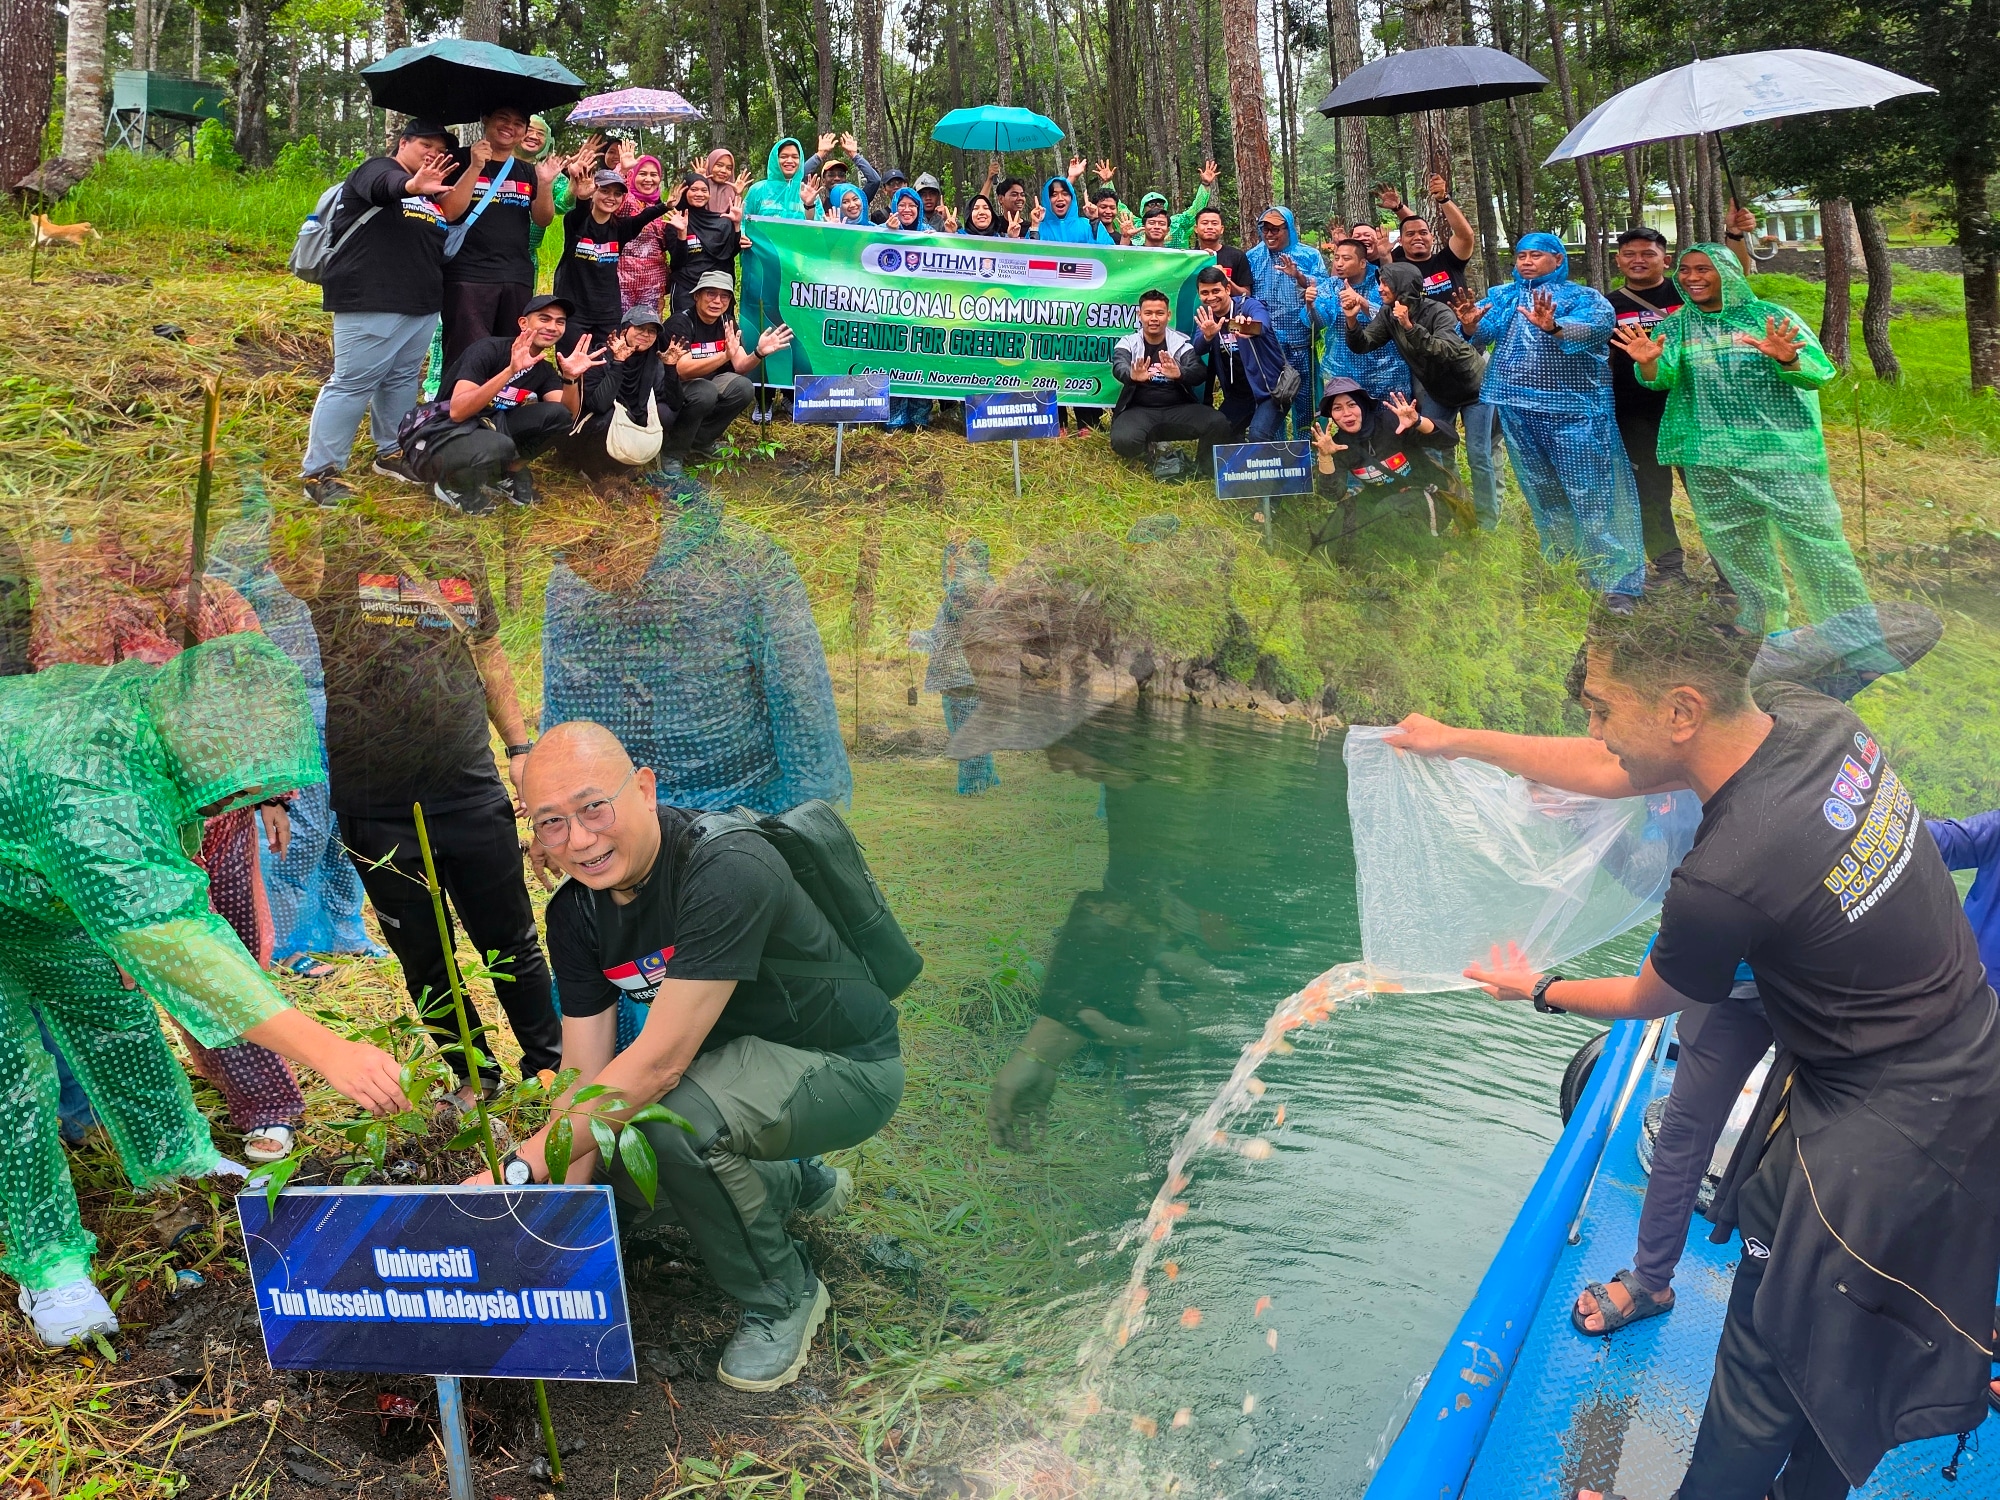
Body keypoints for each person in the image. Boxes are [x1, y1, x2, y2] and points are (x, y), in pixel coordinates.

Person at [1390, 588, 2000, 1500]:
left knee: (1770, 1351)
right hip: (1964, 1064)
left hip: (1882, 1135)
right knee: (1854, 1353)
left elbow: (1652, 994)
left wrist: (1541, 988)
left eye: (1601, 709)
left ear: (1680, 710)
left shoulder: (1724, 875)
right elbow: (1611, 770)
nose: (1595, 730)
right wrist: (1457, 740)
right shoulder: (1814, 722)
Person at [0, 634, 407, 1345]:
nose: (240, 802)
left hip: (31, 880)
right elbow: (173, 938)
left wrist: (124, 928)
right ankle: (49, 1266)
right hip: (31, 851)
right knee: (14, 1086)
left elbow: (159, 872)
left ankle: (172, 1158)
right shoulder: (85, 777)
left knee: (111, 1009)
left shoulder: (145, 718)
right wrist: (326, 1049)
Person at [479, 722, 903, 1393]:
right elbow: (586, 1076)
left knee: (667, 1121)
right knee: (612, 1157)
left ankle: (783, 1296)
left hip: (848, 1066)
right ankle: (792, 1185)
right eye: (552, 823)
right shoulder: (577, 915)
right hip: (742, 1065)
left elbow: (657, 1067)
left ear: (644, 789)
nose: (579, 840)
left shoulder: (725, 866)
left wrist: (520, 1167)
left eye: (594, 808)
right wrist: (555, 1214)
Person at [276, 508, 564, 1113]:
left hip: (467, 787)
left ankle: (549, 1064)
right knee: (424, 956)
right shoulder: (332, 538)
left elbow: (486, 650)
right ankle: (474, 1076)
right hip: (375, 804)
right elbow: (292, 559)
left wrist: (518, 748)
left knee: (510, 941)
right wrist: (322, 490)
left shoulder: (457, 540)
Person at [1616, 244, 1889, 663]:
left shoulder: (1768, 316)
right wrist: (1648, 363)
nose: (1692, 278)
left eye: (1704, 269)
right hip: (1708, 455)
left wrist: (1789, 358)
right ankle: (1761, 622)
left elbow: (1818, 373)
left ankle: (1852, 635)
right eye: (1686, 270)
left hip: (1779, 453)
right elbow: (1660, 378)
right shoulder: (1679, 325)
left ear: (1727, 271)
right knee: (1737, 546)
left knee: (1818, 545)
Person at [540, 486, 851, 814]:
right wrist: (552, 812)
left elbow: (801, 706)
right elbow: (560, 719)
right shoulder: (569, 590)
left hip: (746, 825)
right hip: (617, 826)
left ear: (649, 503)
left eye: (605, 543)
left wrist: (808, 828)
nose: (596, 567)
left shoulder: (749, 564)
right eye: (574, 550)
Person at [1454, 233, 1644, 609]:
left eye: (1536, 255)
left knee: (1591, 493)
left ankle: (1615, 579)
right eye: (1521, 255)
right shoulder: (1505, 295)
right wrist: (1471, 324)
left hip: (1575, 413)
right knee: (1544, 491)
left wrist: (1555, 327)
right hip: (1518, 408)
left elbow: (1595, 331)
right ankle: (1565, 565)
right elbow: (1482, 330)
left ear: (1558, 260)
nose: (1526, 262)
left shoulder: (1584, 298)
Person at [300, 119, 459, 505]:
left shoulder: (429, 196)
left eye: (440, 149)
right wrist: (409, 185)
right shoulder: (378, 170)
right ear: (403, 143)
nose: (433, 154)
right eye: (425, 144)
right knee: (352, 383)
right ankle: (320, 472)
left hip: (420, 305)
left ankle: (390, 451)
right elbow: (382, 187)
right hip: (371, 300)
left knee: (401, 380)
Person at [416, 294, 602, 511]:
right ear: (523, 323)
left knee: (556, 416)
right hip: (444, 432)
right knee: (498, 443)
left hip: (489, 430)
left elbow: (566, 415)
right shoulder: (488, 350)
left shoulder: (543, 369)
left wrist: (571, 378)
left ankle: (505, 473)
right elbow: (457, 412)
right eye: (544, 319)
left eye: (559, 322)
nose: (553, 327)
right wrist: (510, 371)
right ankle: (453, 483)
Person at [1344, 261, 1496, 527]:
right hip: (1439, 392)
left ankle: (1485, 522)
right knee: (1432, 449)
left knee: (1478, 455)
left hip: (1474, 389)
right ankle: (1449, 509)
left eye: (1385, 282)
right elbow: (1364, 344)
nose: (1379, 288)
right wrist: (1352, 320)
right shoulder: (1389, 313)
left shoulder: (1438, 312)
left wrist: (1410, 326)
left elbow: (1443, 349)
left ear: (1402, 286)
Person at [434, 104, 561, 369]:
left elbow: (543, 218)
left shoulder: (527, 171)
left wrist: (546, 183)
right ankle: (456, 407)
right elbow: (448, 211)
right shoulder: (459, 159)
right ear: (485, 119)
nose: (510, 127)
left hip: (516, 275)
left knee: (509, 351)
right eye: (503, 119)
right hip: (469, 276)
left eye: (518, 123)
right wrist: (475, 167)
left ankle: (498, 408)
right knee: (465, 352)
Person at [1607, 226, 1689, 580]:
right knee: (1652, 493)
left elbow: (1735, 285)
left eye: (1648, 254)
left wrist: (1734, 235)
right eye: (1629, 254)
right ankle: (1669, 567)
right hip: (1635, 413)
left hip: (1689, 407)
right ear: (1618, 261)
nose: (1638, 261)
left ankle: (1729, 570)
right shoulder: (1608, 306)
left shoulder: (1687, 293)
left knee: (1705, 489)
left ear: (1666, 260)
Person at [1311, 379, 1470, 545]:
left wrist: (1418, 422)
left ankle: (1427, 555)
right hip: (1385, 495)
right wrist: (1325, 457)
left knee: (1388, 509)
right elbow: (1333, 494)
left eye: (1351, 405)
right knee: (1345, 513)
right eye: (1337, 408)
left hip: (1429, 493)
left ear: (1363, 405)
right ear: (1332, 415)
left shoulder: (1392, 423)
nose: (1346, 413)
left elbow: (1450, 440)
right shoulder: (1339, 445)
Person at [663, 271, 795, 468]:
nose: (717, 301)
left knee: (744, 387)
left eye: (724, 296)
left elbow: (741, 366)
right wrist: (724, 355)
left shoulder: (727, 322)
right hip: (673, 388)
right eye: (710, 293)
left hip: (707, 384)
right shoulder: (681, 322)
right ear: (696, 295)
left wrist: (759, 352)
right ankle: (672, 453)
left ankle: (700, 441)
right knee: (705, 391)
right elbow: (682, 370)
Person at [553, 308, 689, 480]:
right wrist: (618, 363)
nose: (646, 334)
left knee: (665, 413)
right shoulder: (599, 357)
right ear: (624, 330)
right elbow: (599, 405)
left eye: (651, 331)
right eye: (640, 327)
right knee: (609, 417)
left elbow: (676, 404)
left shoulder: (653, 361)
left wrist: (670, 368)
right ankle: (589, 469)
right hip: (585, 429)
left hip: (626, 424)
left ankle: (623, 463)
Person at [1107, 289, 1230, 473]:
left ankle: (1203, 468)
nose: (1154, 318)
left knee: (1219, 423)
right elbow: (1119, 366)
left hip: (1178, 409)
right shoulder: (1128, 342)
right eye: (1148, 313)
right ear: (1139, 315)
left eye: (1159, 313)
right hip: (1140, 410)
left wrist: (1180, 373)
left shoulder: (1180, 343)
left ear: (1168, 315)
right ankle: (1148, 454)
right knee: (1123, 441)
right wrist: (1132, 375)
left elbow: (1199, 372)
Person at [553, 164, 671, 354]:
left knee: (605, 365)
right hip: (575, 310)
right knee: (572, 366)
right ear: (593, 192)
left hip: (607, 312)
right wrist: (583, 198)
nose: (611, 197)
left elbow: (644, 217)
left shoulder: (621, 229)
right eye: (605, 191)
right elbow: (581, 213)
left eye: (617, 194)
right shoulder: (576, 222)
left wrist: (667, 205)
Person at [1244, 207, 1325, 438]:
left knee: (1305, 399)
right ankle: (1276, 450)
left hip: (1301, 342)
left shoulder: (1309, 256)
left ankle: (1307, 449)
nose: (1270, 234)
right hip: (1268, 346)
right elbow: (1247, 294)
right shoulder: (1253, 257)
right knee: (1273, 398)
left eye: (1276, 229)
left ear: (1288, 228)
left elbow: (1324, 288)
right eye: (1265, 228)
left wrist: (1299, 276)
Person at [1188, 265, 1286, 442]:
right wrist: (1208, 336)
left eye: (1216, 290)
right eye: (1205, 293)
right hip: (1238, 394)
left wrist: (1248, 325)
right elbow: (1198, 348)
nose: (1211, 297)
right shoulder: (1208, 317)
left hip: (1270, 390)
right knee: (1215, 433)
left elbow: (1262, 324)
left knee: (1258, 435)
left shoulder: (1248, 306)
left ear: (1227, 289)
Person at [1307, 238, 1411, 401]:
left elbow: (1393, 319)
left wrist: (1362, 302)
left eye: (1346, 259)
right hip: (1344, 368)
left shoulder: (1382, 282)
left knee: (1388, 421)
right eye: (1337, 258)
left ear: (1362, 263)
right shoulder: (1331, 286)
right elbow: (1320, 323)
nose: (1339, 264)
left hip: (1386, 369)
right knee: (1351, 420)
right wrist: (1311, 305)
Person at [663, 172, 748, 315]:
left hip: (716, 288)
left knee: (718, 334)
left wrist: (737, 226)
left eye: (704, 190)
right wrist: (682, 235)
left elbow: (730, 253)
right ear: (684, 191)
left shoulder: (721, 221)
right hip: (686, 288)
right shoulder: (676, 221)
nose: (699, 194)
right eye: (694, 189)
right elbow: (677, 263)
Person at [1379, 175, 1475, 301]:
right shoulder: (1395, 262)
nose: (1418, 237)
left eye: (1424, 233)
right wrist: (1383, 256)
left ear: (1432, 238)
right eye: (1410, 235)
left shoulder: (1448, 261)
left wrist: (1443, 199)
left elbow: (1465, 236)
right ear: (1400, 241)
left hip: (1452, 320)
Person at [802, 132, 882, 211]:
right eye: (831, 175)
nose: (837, 178)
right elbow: (799, 176)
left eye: (841, 175)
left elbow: (875, 180)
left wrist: (854, 155)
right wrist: (820, 154)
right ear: (823, 181)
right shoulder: (818, 207)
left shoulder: (857, 202)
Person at [741, 137, 811, 220]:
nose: (789, 161)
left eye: (795, 157)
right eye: (784, 156)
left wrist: (810, 205)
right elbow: (742, 222)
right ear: (775, 159)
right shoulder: (758, 190)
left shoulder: (809, 193)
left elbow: (819, 227)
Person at [1190, 205, 1254, 293]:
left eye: (1214, 223)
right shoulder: (1189, 257)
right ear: (1196, 229)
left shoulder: (1237, 256)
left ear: (1222, 229)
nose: (1209, 227)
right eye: (1205, 223)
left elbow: (1246, 294)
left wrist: (1226, 279)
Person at [1032, 174, 1100, 244]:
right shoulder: (1039, 229)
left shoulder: (1087, 226)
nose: (1060, 199)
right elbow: (1028, 253)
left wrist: (1095, 220)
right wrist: (1034, 228)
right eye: (1054, 195)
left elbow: (1106, 250)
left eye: (1065, 194)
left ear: (1072, 198)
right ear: (1047, 199)